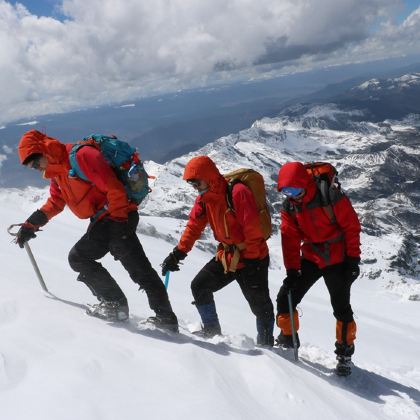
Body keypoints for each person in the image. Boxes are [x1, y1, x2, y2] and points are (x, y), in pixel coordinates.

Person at [16, 129, 178, 331]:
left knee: (137, 269)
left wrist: (119, 223)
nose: (35, 168)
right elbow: (56, 202)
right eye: (31, 167)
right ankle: (118, 305)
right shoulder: (57, 173)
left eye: (34, 162)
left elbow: (115, 189)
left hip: (119, 216)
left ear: (45, 150)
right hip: (104, 220)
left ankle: (158, 317)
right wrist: (31, 224)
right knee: (81, 258)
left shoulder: (82, 156)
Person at [161, 155, 275, 346]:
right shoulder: (204, 200)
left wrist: (253, 260)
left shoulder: (237, 192)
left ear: (209, 177)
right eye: (193, 184)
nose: (195, 187)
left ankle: (266, 345)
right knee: (200, 286)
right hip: (228, 256)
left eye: (197, 182)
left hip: (252, 257)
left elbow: (252, 229)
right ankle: (212, 332)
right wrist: (178, 253)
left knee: (260, 306)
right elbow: (194, 226)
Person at [276, 162, 361, 373]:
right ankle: (288, 339)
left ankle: (344, 355)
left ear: (304, 183)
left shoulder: (330, 196)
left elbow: (351, 227)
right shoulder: (290, 206)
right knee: (285, 297)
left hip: (337, 257)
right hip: (312, 256)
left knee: (341, 308)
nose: (292, 195)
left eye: (294, 190)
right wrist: (292, 270)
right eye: (286, 192)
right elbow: (289, 239)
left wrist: (352, 261)